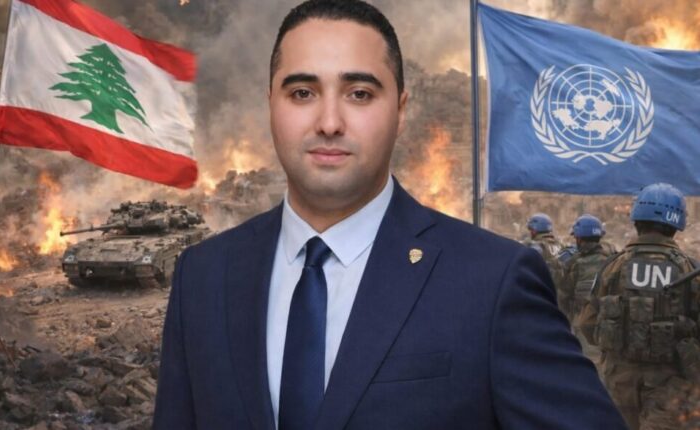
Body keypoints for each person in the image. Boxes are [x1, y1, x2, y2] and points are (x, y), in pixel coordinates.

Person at [153, 1, 625, 429]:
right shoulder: (203, 277)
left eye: (359, 93)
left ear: (400, 111)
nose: (329, 122)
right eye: (302, 93)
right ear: (270, 104)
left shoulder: (493, 281)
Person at [578, 183, 699, 430]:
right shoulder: (690, 270)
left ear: (636, 220)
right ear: (676, 224)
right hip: (673, 390)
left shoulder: (612, 267)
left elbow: (586, 324)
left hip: (619, 384)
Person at [561, 214, 616, 366]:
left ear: (579, 239)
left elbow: (563, 296)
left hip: (584, 326)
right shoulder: (613, 261)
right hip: (611, 326)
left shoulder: (575, 263)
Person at [523, 213, 565, 286]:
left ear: (534, 231)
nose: (530, 232)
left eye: (531, 230)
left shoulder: (536, 247)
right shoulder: (560, 244)